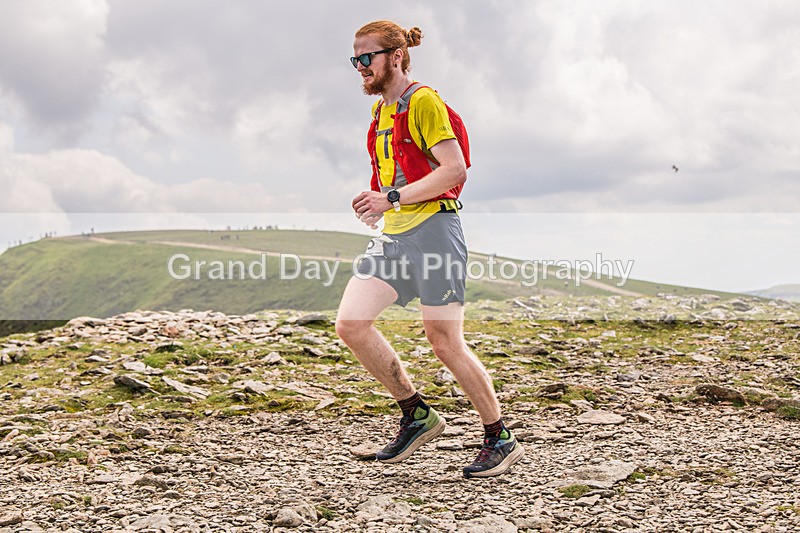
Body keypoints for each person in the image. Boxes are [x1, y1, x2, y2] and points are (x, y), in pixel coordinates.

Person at [335, 20, 524, 479]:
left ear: (395, 57)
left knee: (444, 342)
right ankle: (417, 414)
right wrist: (378, 203)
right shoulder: (380, 113)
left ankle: (500, 436)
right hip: (395, 237)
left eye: (367, 58)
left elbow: (453, 168)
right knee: (352, 324)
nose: (360, 67)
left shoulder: (422, 101)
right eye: (355, 59)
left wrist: (392, 198)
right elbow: (398, 179)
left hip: (436, 233)